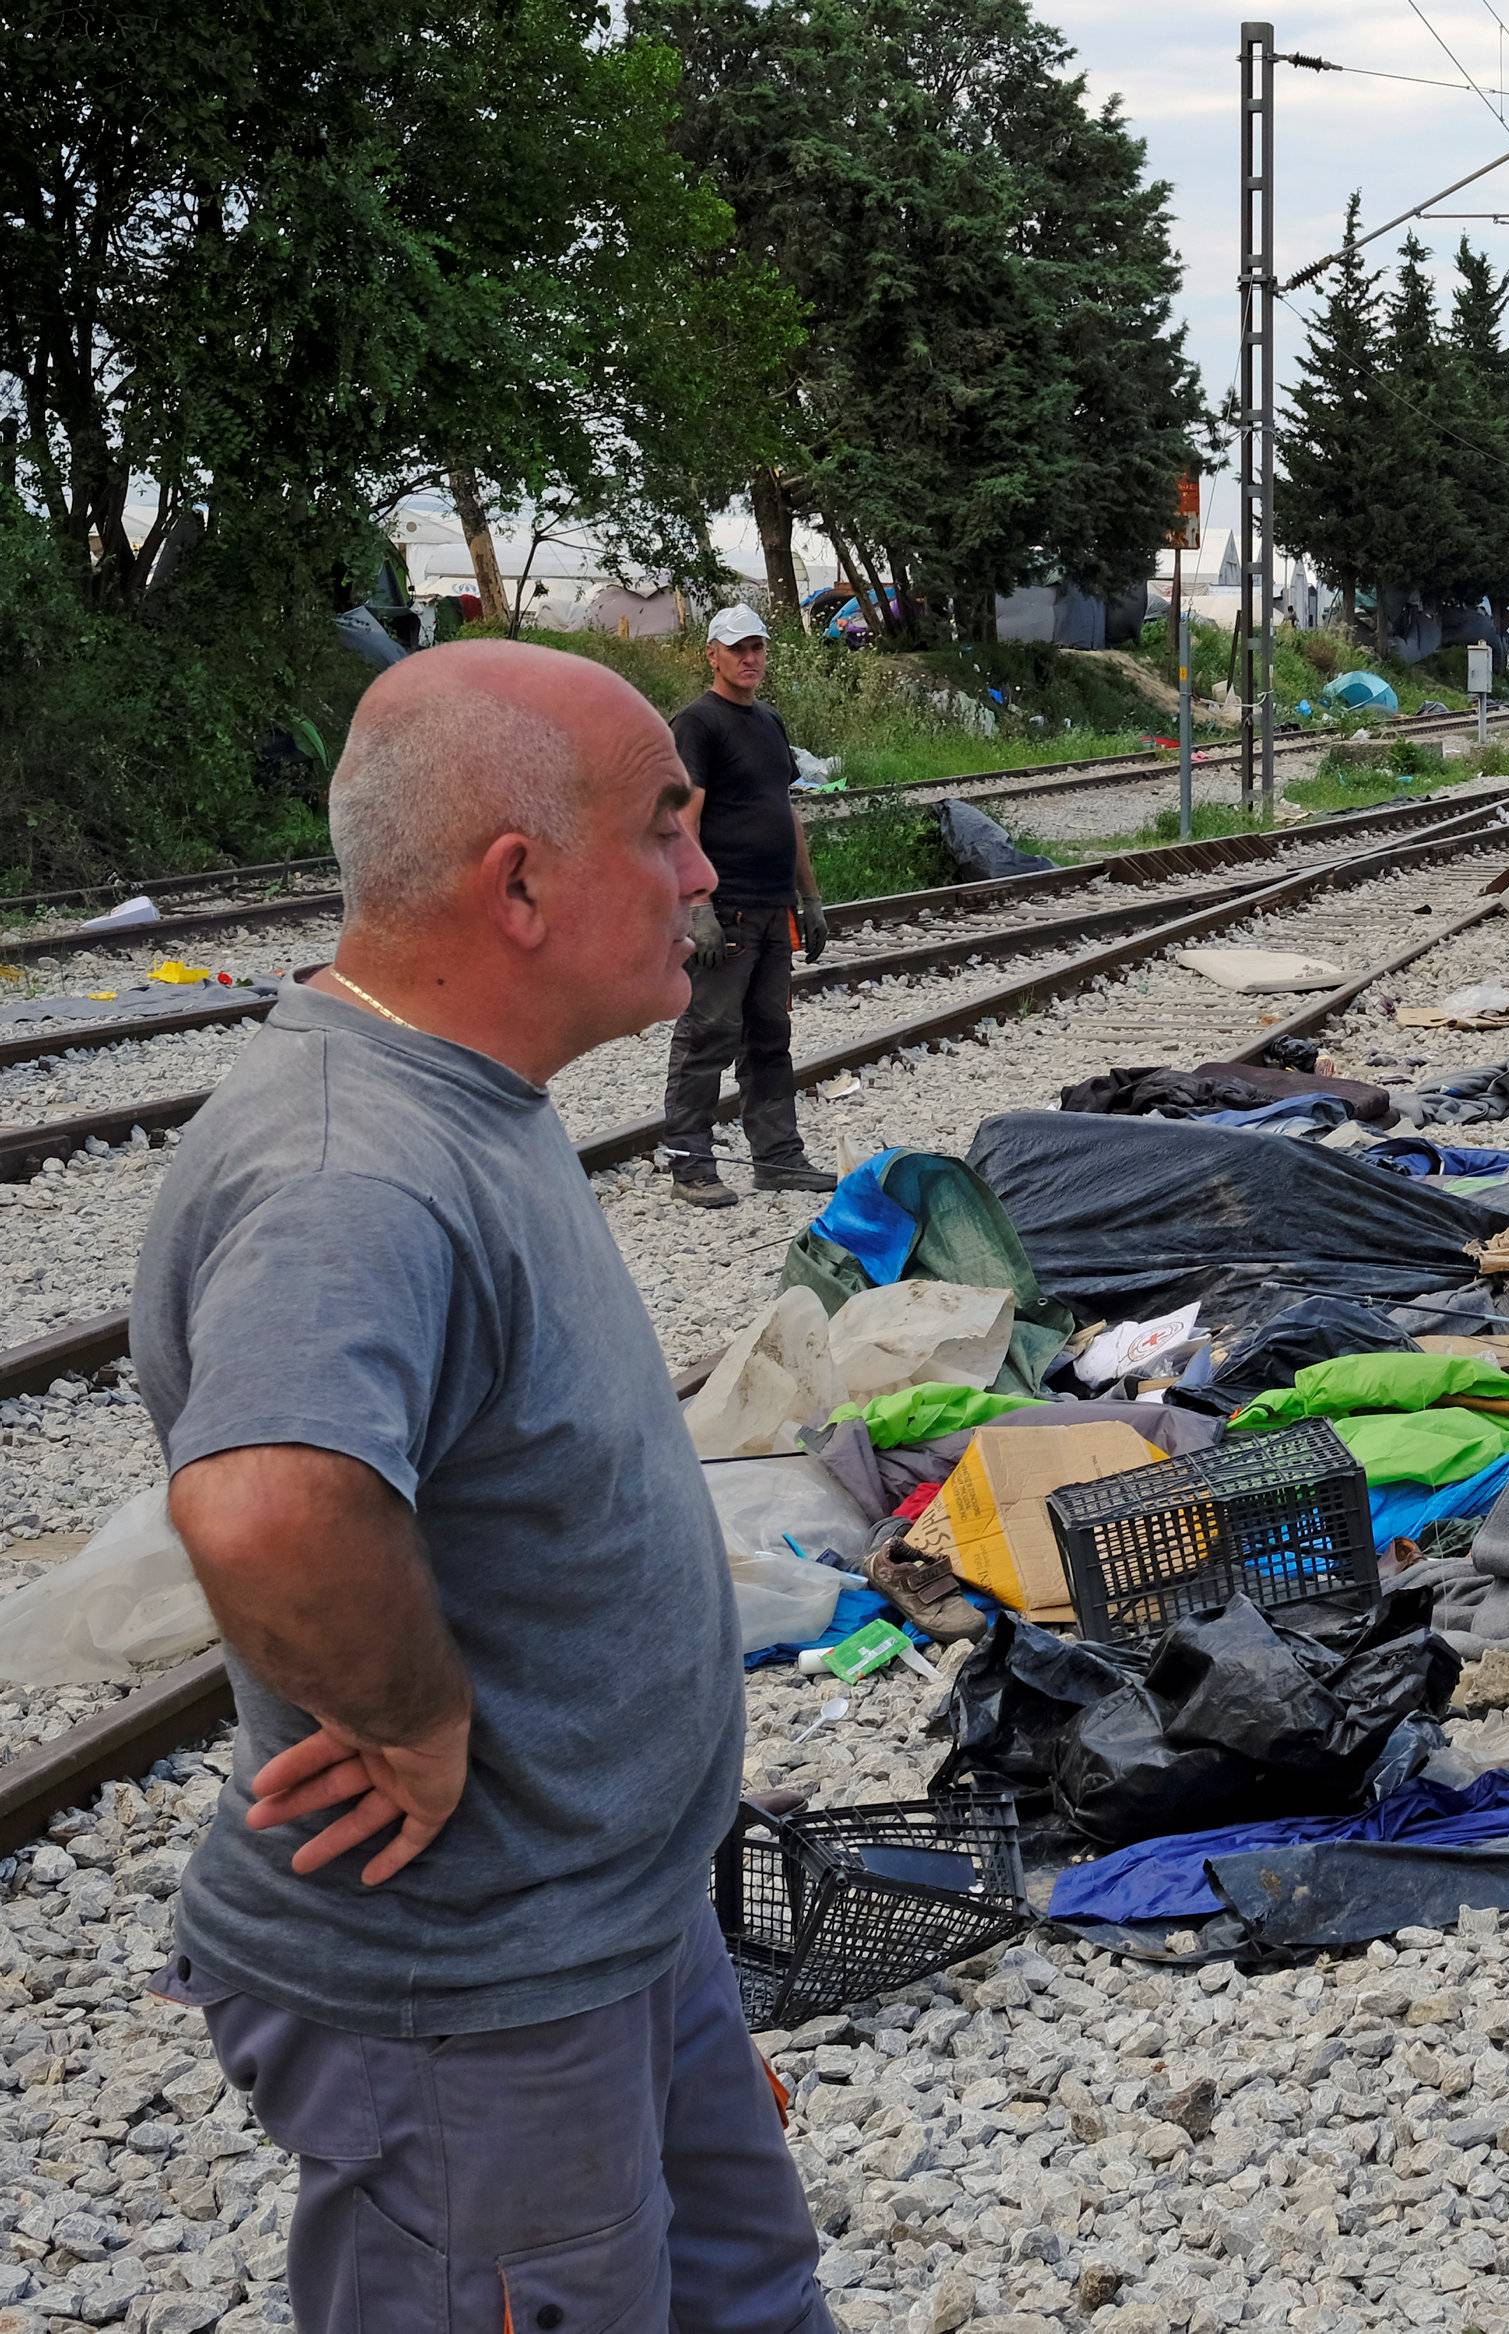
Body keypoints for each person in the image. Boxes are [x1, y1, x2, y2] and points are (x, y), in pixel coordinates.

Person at [130, 639, 837, 2334]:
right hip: (480, 1995)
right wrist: (419, 1712)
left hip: (605, 1925)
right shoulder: (348, 1167)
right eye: (666, 831)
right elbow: (269, 1500)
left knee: (747, 2289)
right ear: (518, 881)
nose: (701, 873)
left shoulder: (468, 1094)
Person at [661, 604, 837, 1208]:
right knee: (709, 1030)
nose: (749, 658)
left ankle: (778, 1157)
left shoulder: (769, 723)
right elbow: (685, 819)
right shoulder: (698, 723)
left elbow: (787, 811)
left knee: (769, 1034)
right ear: (711, 654)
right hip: (727, 906)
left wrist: (809, 896)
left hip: (770, 906)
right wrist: (697, 903)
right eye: (737, 648)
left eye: (757, 647)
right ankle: (690, 1162)